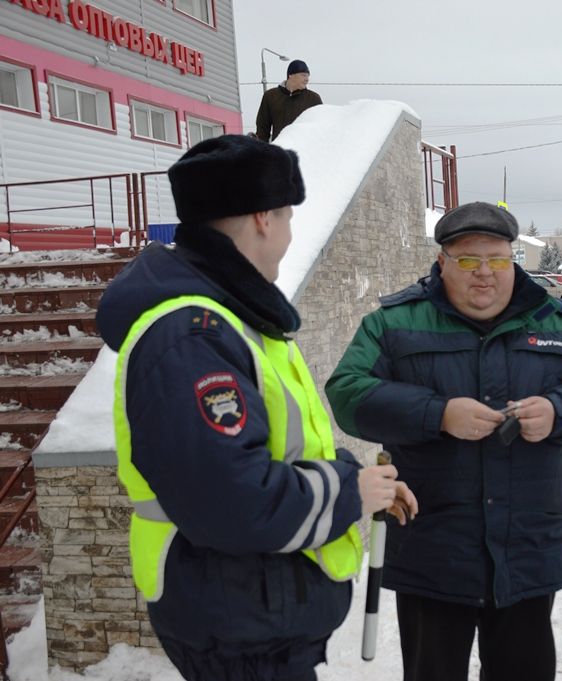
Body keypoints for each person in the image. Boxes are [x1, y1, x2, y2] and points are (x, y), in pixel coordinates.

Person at [96, 135, 418, 681]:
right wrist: (349, 491)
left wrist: (360, 481)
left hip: (255, 617)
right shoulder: (193, 334)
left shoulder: (235, 319)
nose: (290, 232)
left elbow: (283, 449)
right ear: (264, 218)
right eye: (288, 215)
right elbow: (230, 498)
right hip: (237, 624)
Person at [325, 201, 562, 681]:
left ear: (513, 261)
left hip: (526, 547)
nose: (484, 273)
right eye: (468, 260)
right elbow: (347, 393)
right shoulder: (394, 323)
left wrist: (558, 412)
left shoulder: (555, 323)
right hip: (432, 550)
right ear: (442, 262)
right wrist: (437, 413)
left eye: (498, 259)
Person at [255, 59, 323, 142]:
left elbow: (320, 127)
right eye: (303, 75)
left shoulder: (313, 99)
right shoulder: (270, 96)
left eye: (308, 76)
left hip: (303, 151)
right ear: (290, 75)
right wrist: (262, 151)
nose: (307, 79)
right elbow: (262, 128)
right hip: (280, 151)